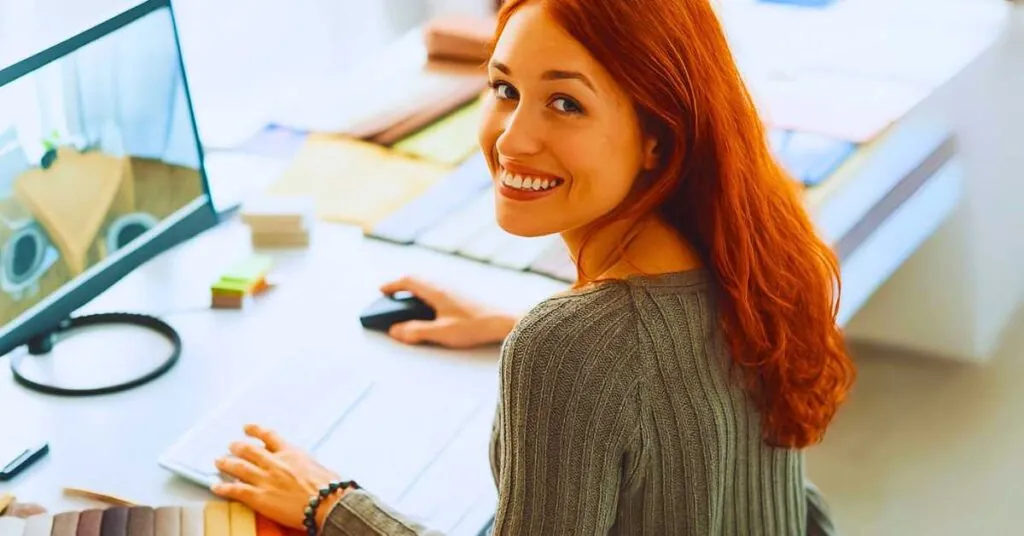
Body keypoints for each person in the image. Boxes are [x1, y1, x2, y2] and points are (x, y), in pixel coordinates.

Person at [210, 0, 856, 533]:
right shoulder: (747, 256)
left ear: (657, 136)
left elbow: (612, 356)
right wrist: (508, 322)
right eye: (505, 89)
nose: (513, 137)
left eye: (566, 103)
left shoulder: (569, 344)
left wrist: (328, 501)